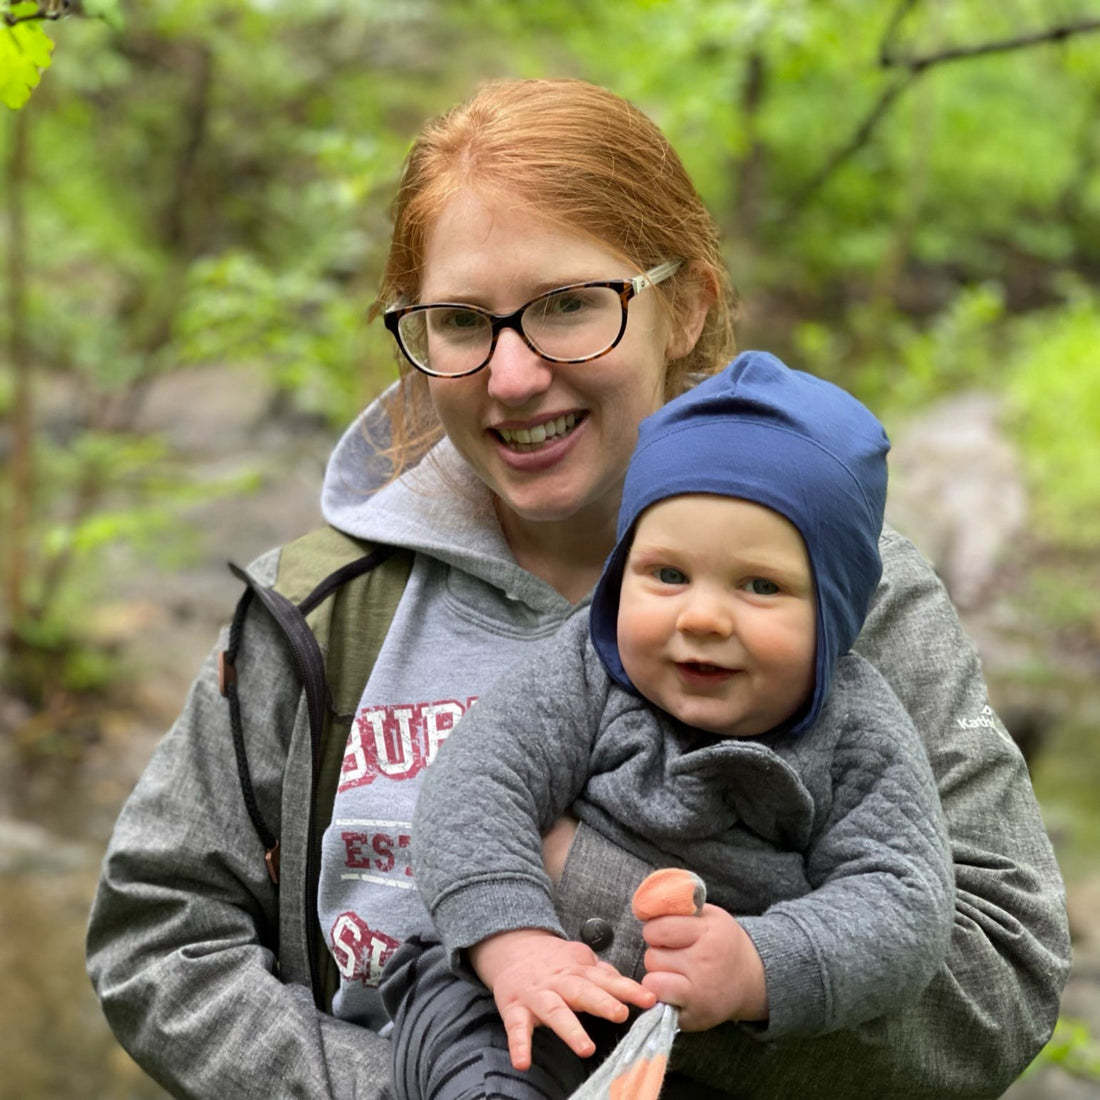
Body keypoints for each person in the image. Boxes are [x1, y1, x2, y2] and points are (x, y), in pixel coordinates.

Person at [85, 77, 1069, 1099]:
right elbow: (162, 936)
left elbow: (998, 984)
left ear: (683, 307)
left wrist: (636, 929)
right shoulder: (325, 606)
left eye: (567, 305)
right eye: (460, 320)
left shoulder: (847, 601)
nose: (513, 377)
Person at [385, 350, 956, 1098]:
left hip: (701, 1042)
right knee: (489, 1068)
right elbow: (475, 788)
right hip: (508, 1000)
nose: (702, 617)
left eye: (760, 585)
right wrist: (514, 942)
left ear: (836, 611)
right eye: (668, 575)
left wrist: (759, 964)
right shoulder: (585, 671)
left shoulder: (857, 733)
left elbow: (904, 899)